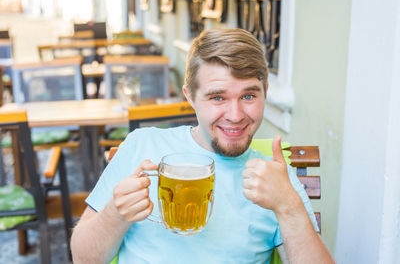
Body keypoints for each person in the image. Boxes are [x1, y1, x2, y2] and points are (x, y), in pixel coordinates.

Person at [71, 28, 334, 263]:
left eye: (249, 95)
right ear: (190, 97)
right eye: (217, 97)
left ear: (266, 91)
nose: (235, 114)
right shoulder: (142, 146)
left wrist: (288, 207)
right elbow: (83, 258)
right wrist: (115, 214)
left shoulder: (277, 179)